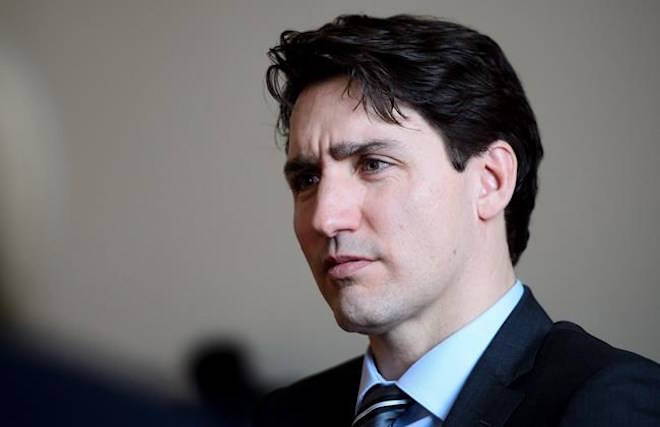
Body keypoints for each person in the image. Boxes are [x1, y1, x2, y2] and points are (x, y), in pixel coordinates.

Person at [254, 14, 660, 426]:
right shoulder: (282, 416)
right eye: (307, 179)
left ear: (491, 181)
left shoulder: (608, 404)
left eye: (373, 164)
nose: (325, 217)